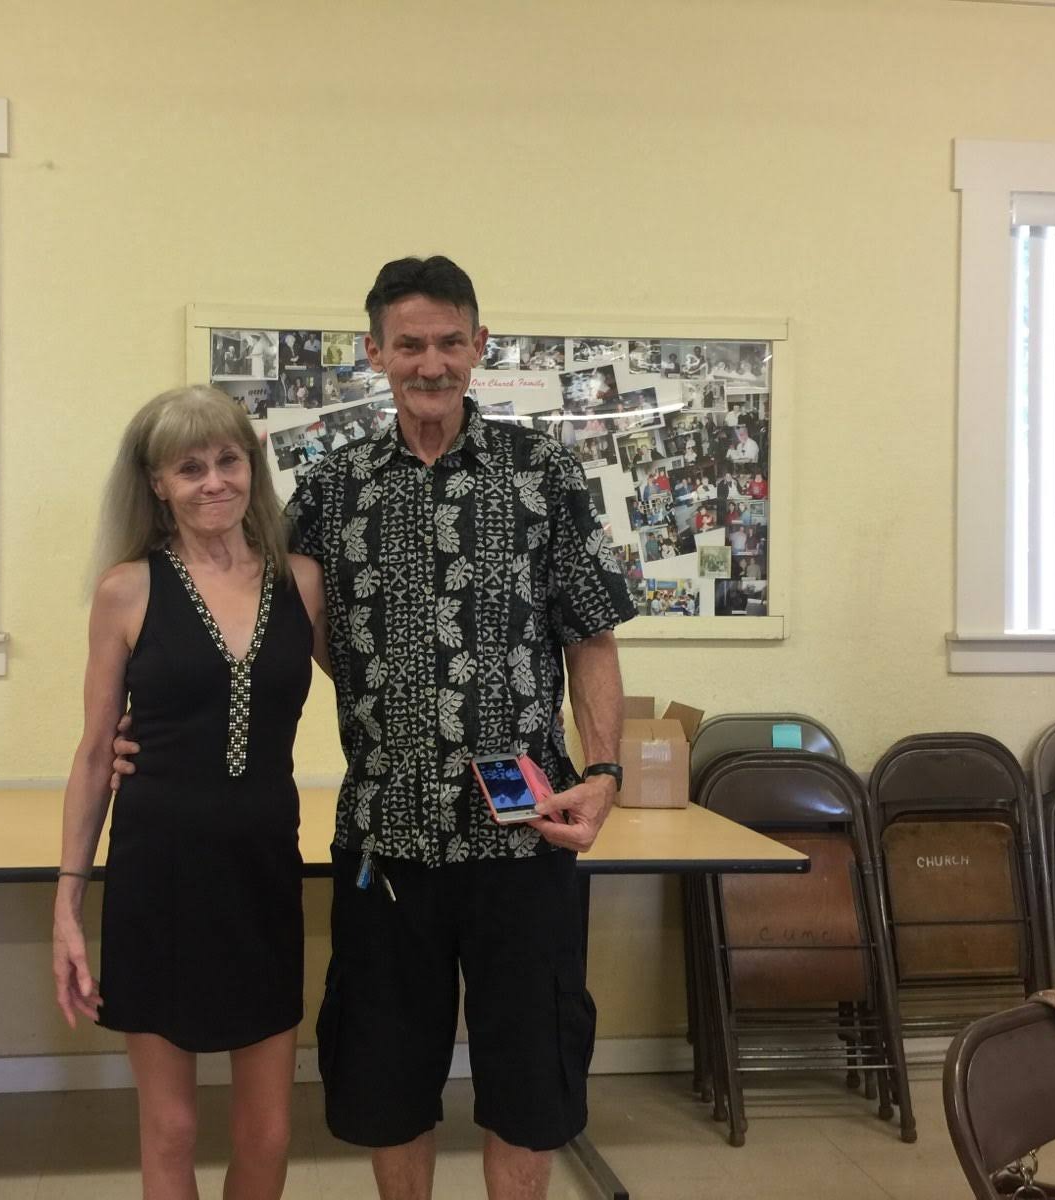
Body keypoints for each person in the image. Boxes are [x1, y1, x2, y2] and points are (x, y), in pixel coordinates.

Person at [121, 257, 634, 1200]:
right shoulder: (332, 489)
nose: (431, 363)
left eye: (450, 342)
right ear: (376, 353)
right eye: (409, 345)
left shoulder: (544, 473)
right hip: (384, 842)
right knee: (387, 1081)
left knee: (530, 1080)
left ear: (480, 346)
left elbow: (591, 633)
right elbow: (257, 626)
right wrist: (150, 719)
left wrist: (603, 772)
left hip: (527, 838)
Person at [53, 385, 328, 1200]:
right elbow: (96, 752)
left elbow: (376, 695)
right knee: (170, 1128)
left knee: (267, 1133)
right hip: (157, 876)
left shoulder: (303, 582)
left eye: (228, 460)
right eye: (190, 467)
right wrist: (67, 902)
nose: (214, 482)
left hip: (262, 873)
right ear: (157, 484)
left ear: (253, 466)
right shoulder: (127, 589)